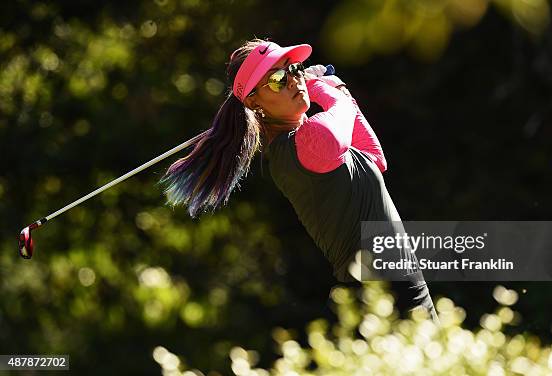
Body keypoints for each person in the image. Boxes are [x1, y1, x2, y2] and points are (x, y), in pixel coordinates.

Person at [159, 38, 438, 322]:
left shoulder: (310, 143)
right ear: (254, 103)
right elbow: (332, 128)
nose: (293, 80)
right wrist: (326, 90)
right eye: (278, 79)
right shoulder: (305, 145)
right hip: (382, 295)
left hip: (401, 286)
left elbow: (374, 158)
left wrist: (339, 93)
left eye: (295, 69)